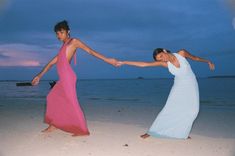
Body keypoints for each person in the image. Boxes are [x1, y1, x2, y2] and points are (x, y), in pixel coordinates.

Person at [31, 20, 118, 136]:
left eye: (61, 32)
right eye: (57, 33)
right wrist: (39, 75)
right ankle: (54, 125)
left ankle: (83, 130)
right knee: (52, 97)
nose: (59, 35)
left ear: (68, 32)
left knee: (72, 102)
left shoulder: (74, 42)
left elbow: (90, 51)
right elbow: (51, 63)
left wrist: (108, 60)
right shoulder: (63, 47)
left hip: (68, 77)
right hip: (63, 78)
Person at [117, 48, 215, 139]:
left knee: (193, 110)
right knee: (169, 107)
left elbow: (195, 58)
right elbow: (144, 64)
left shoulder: (182, 53)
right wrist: (124, 62)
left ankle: (182, 133)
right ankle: (151, 132)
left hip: (191, 84)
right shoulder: (165, 64)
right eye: (159, 59)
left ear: (164, 51)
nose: (162, 59)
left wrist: (208, 61)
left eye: (161, 56)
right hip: (179, 86)